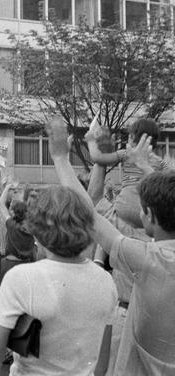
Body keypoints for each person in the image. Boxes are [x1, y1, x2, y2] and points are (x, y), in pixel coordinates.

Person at [0, 120, 117, 375]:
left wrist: (61, 157)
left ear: (37, 228)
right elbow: (102, 366)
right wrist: (84, 161)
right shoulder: (106, 282)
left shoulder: (22, 279)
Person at [56, 117, 175, 374]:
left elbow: (89, 207)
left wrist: (60, 159)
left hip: (127, 321)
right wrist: (146, 166)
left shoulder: (145, 257)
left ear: (151, 215)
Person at [87, 117, 169, 228]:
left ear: (132, 137)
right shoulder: (160, 162)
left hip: (123, 207)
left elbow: (98, 157)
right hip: (146, 213)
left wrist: (91, 140)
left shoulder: (127, 153)